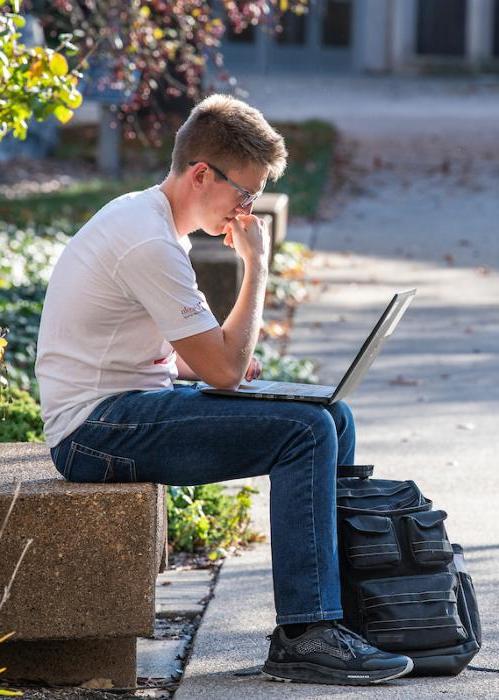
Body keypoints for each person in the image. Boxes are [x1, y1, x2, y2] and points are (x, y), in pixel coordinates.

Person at [35, 94, 413, 686]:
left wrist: (212, 366)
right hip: (93, 432)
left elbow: (173, 357)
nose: (248, 208)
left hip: (122, 408)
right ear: (202, 174)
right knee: (305, 431)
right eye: (245, 192)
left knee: (330, 415)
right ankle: (306, 633)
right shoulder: (149, 241)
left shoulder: (154, 226)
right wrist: (255, 265)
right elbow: (223, 372)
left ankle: (346, 612)